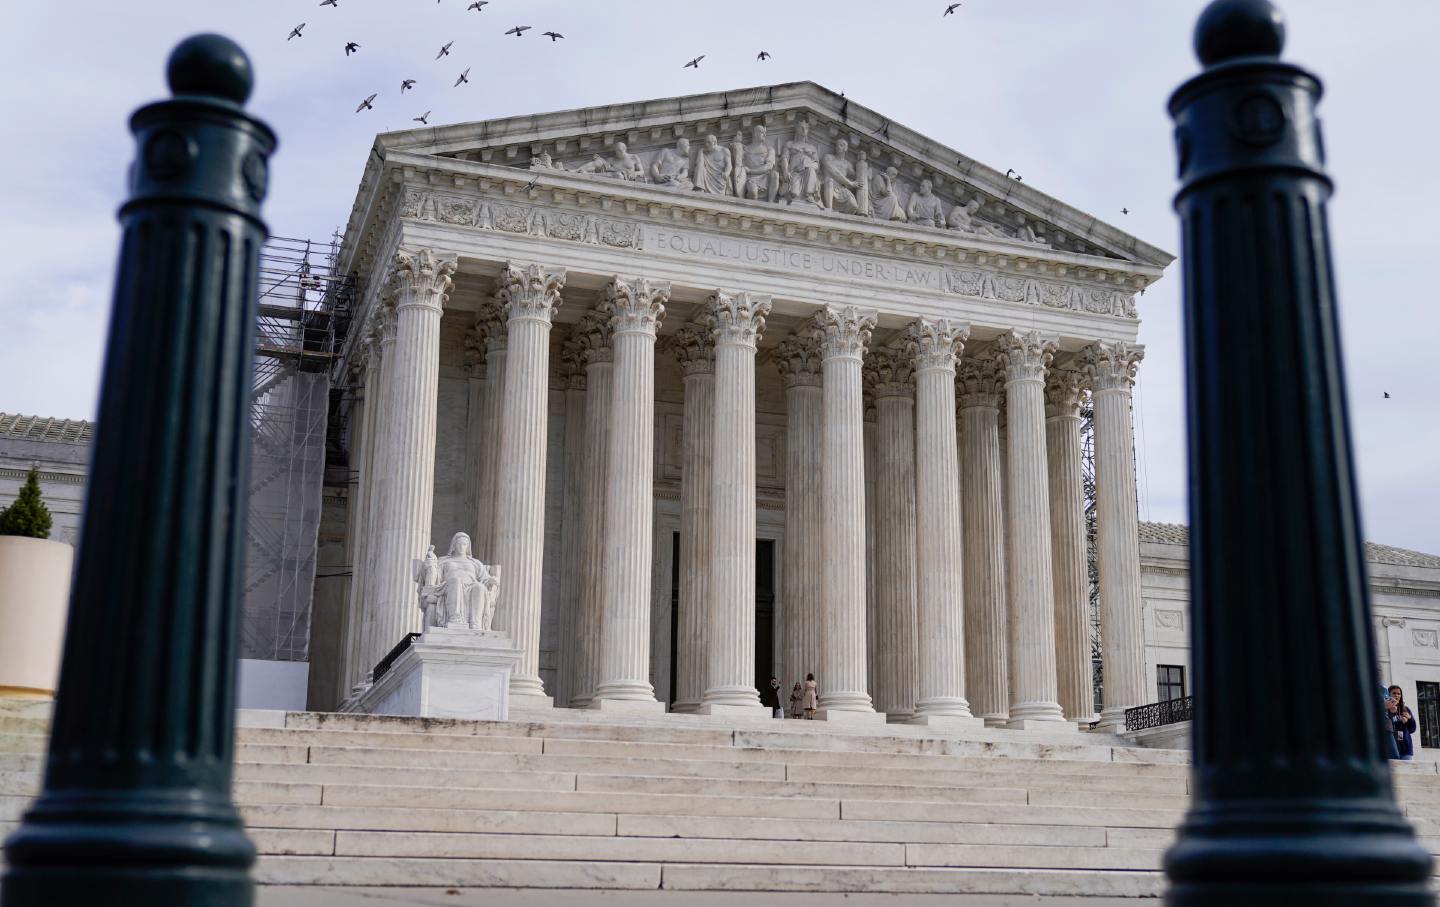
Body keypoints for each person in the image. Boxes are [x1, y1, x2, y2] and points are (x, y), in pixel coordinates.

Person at [1389, 685, 1418, 760]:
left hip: (1406, 749)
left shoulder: (1406, 709)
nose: (1396, 695)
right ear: (1388, 694)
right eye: (1394, 693)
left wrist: (1409, 719)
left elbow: (1412, 729)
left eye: (1399, 693)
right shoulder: (1386, 709)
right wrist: (1391, 714)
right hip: (1391, 748)